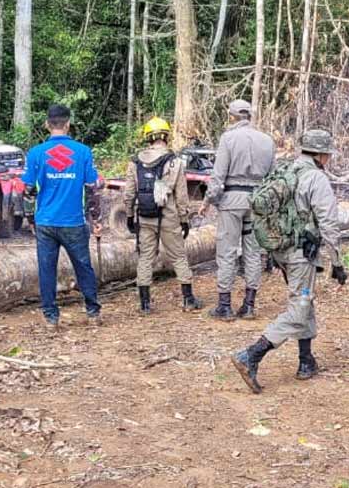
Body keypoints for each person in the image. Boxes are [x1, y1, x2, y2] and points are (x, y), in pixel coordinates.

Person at [230, 129, 347, 394]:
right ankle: (251, 355)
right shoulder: (316, 178)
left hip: (281, 250)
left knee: (304, 301)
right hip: (300, 254)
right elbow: (329, 223)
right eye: (328, 153)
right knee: (299, 308)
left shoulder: (286, 170)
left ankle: (306, 361)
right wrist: (337, 262)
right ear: (321, 154)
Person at [22, 104, 104, 329]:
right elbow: (92, 186)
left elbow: (28, 189)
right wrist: (96, 218)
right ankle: (93, 313)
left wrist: (30, 219)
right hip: (74, 221)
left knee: (46, 269)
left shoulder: (36, 153)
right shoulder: (83, 152)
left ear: (48, 124)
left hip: (45, 222)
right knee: (83, 266)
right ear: (68, 124)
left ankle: (50, 318)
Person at [199, 99, 276, 321]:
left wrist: (208, 201)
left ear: (232, 116)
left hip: (232, 201)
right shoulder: (267, 141)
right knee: (253, 252)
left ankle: (224, 305)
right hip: (257, 201)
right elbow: (273, 176)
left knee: (227, 251)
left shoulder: (228, 138)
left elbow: (218, 176)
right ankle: (249, 305)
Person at [122, 117, 203, 313]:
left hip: (145, 216)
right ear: (166, 136)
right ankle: (188, 299)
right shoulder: (174, 162)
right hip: (168, 216)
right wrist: (184, 219)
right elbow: (181, 196)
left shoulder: (135, 162)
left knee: (145, 258)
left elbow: (129, 194)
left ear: (148, 137)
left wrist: (130, 216)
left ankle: (145, 304)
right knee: (178, 257)